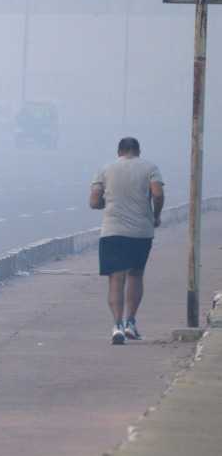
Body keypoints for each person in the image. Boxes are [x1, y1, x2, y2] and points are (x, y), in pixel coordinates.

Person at [89, 137, 164, 344]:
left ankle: (117, 326)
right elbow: (157, 194)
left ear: (119, 152)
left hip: (113, 231)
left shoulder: (105, 169)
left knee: (116, 279)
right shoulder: (150, 167)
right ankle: (131, 322)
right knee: (136, 275)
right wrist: (156, 215)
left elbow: (94, 202)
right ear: (138, 151)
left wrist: (109, 200)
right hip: (141, 231)